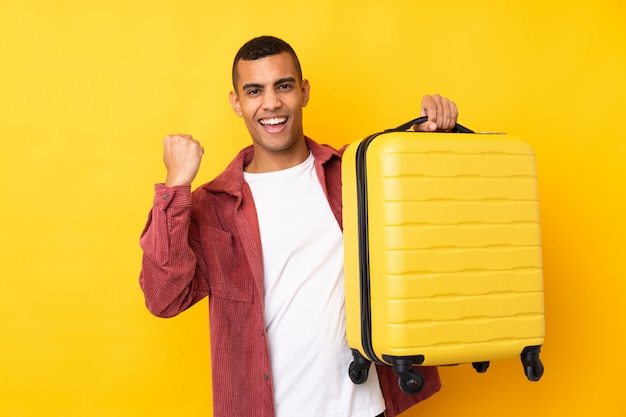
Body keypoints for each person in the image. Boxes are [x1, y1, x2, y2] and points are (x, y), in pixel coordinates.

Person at [139, 35, 459, 417]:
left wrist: (434, 144)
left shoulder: (354, 174)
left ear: (304, 92)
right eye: (254, 90)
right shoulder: (214, 207)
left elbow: (435, 227)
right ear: (236, 102)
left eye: (284, 86)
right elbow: (164, 298)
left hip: (364, 407)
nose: (271, 103)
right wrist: (175, 187)